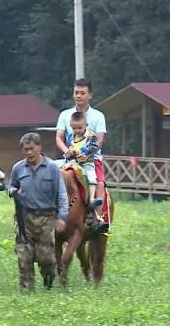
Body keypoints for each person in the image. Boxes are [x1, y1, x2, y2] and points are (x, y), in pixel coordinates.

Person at [8, 133, 68, 290]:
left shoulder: (53, 168)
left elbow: (62, 194)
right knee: (23, 256)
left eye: (31, 149)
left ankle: (48, 282)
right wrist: (12, 191)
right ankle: (26, 289)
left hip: (47, 218)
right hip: (24, 217)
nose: (28, 153)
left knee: (46, 258)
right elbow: (12, 186)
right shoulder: (18, 168)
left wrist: (62, 217)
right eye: (25, 150)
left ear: (39, 148)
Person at [56, 78, 109, 233]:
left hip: (91, 159)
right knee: (51, 172)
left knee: (99, 182)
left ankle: (98, 219)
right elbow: (59, 137)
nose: (78, 96)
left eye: (82, 93)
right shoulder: (65, 115)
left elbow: (99, 140)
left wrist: (87, 154)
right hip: (70, 158)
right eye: (76, 92)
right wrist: (67, 150)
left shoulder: (98, 116)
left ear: (90, 95)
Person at [65, 112, 103, 211]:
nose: (77, 131)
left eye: (80, 128)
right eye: (74, 128)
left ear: (86, 125)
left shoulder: (90, 136)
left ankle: (91, 199)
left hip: (86, 162)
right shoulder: (70, 137)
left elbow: (95, 147)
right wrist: (69, 153)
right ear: (70, 126)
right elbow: (69, 147)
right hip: (73, 162)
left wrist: (85, 154)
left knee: (91, 177)